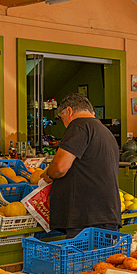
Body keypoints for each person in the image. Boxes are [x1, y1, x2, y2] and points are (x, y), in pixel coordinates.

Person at [42, 93, 121, 238]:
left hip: (86, 219)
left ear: (70, 111)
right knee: (102, 260)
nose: (64, 123)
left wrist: (46, 176)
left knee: (81, 260)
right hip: (106, 215)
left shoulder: (78, 126)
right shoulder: (105, 131)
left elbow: (59, 168)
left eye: (61, 118)